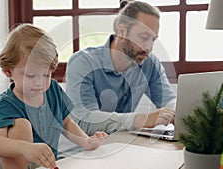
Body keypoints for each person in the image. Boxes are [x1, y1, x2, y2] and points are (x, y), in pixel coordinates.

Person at [0, 24, 107, 169]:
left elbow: (67, 123)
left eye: (46, 74)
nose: (39, 82)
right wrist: (25, 148)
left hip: (35, 161)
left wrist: (86, 141)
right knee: (21, 125)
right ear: (8, 71)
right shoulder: (6, 104)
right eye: (30, 75)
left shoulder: (52, 89)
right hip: (1, 163)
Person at [65, 1, 176, 136]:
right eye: (144, 37)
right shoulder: (83, 62)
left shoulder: (149, 63)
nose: (149, 47)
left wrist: (178, 111)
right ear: (122, 31)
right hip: (80, 151)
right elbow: (84, 121)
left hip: (120, 144)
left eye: (153, 39)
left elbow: (168, 100)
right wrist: (140, 120)